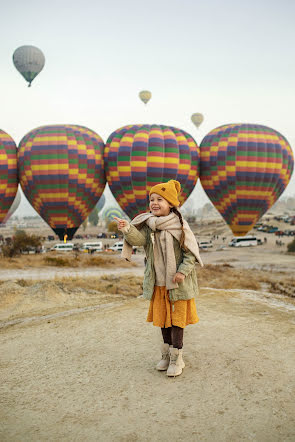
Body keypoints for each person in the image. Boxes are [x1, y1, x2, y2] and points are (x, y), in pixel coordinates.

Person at [114, 180, 204, 377]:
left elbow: (190, 254)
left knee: (177, 321)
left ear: (171, 203)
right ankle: (165, 355)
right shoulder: (149, 225)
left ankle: (176, 357)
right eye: (151, 199)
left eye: (159, 199)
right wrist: (127, 229)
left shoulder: (180, 227)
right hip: (159, 283)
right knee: (163, 321)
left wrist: (182, 271)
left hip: (178, 284)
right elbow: (139, 241)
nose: (154, 203)